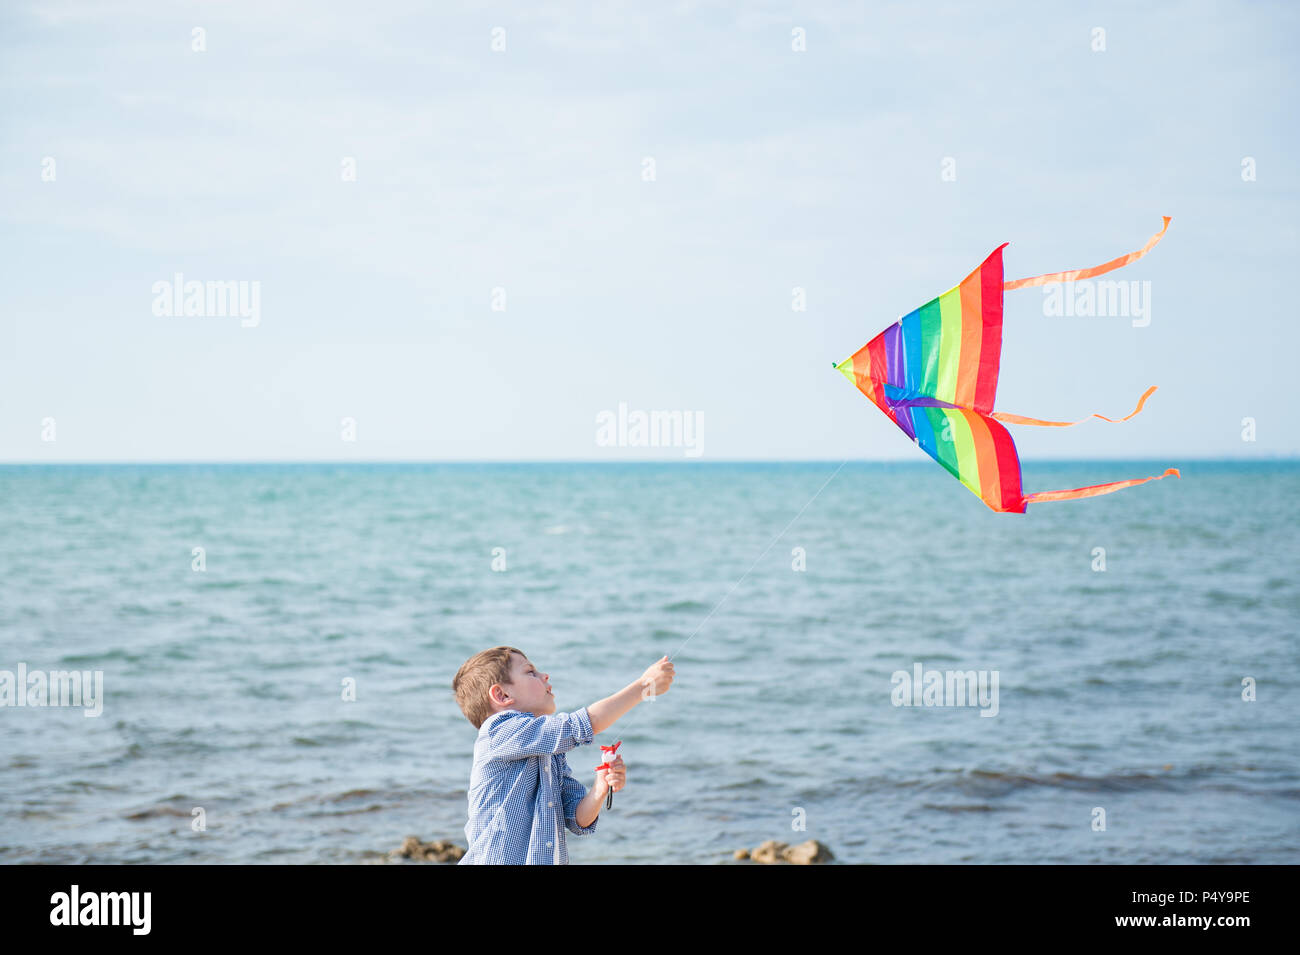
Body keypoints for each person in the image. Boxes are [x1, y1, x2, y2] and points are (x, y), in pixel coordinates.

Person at [452, 647, 675, 864]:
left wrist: (599, 788)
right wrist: (644, 686)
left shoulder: (549, 753)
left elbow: (577, 817)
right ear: (502, 694)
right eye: (531, 672)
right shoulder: (498, 730)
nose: (544, 675)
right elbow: (582, 724)